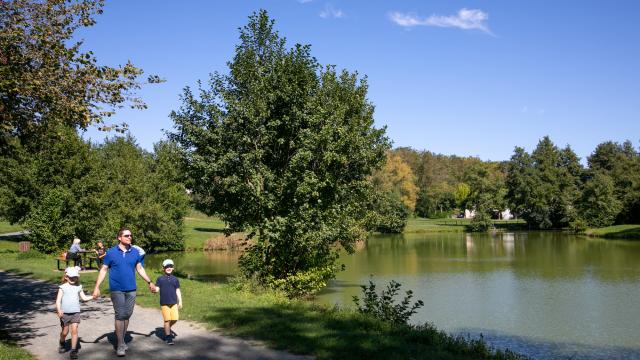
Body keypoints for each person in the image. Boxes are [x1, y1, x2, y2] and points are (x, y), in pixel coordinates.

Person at [92, 227, 156, 357]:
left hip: (131, 288)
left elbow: (139, 268)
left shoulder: (135, 252)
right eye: (127, 235)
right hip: (116, 289)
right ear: (119, 238)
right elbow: (104, 270)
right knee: (120, 314)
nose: (130, 237)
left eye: (131, 235)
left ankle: (121, 336)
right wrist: (97, 287)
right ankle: (120, 343)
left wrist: (149, 282)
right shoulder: (111, 253)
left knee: (127, 314)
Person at [56, 266, 93, 359]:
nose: (73, 279)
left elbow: (84, 298)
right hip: (65, 313)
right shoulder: (62, 287)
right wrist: (59, 310)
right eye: (71, 277)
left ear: (77, 277)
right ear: (66, 277)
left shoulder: (79, 287)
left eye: (74, 277)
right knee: (65, 332)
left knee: (74, 330)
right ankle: (62, 341)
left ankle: (73, 350)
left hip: (75, 312)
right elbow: (58, 301)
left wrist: (93, 296)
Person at [154, 259, 182, 345]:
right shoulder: (160, 279)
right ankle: (168, 337)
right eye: (167, 267)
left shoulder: (175, 279)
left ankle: (167, 328)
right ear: (163, 268)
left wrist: (180, 301)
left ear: (173, 268)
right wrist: (153, 289)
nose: (169, 268)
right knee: (167, 320)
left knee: (175, 318)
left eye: (170, 266)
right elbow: (157, 289)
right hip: (164, 303)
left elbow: (177, 290)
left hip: (173, 302)